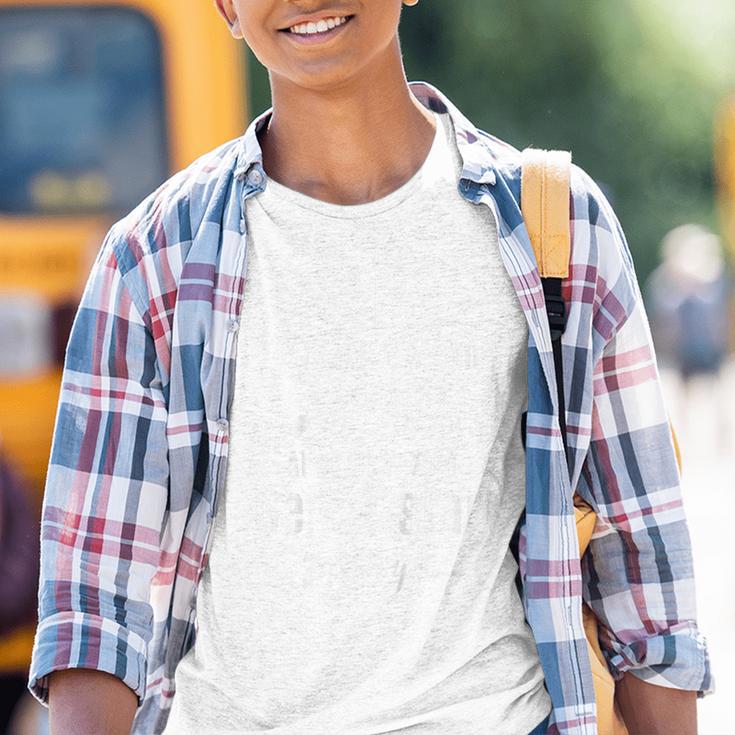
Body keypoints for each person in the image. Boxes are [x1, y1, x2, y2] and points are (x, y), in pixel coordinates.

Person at [26, 2, 712, 734]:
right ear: (226, 7)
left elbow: (642, 570)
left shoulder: (558, 227)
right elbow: (93, 601)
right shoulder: (151, 260)